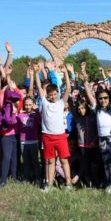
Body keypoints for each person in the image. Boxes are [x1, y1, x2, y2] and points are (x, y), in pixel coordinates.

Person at [33, 62, 72, 192]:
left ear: (57, 93)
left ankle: (68, 184)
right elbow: (38, 86)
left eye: (55, 94)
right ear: (47, 95)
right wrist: (35, 73)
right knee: (50, 161)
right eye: (50, 94)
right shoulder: (44, 102)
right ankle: (49, 185)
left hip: (60, 136)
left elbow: (68, 89)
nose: (53, 96)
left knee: (64, 160)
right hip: (47, 136)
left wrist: (66, 73)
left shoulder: (61, 103)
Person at [85, 68, 111, 194]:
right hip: (102, 138)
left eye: (105, 98)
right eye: (100, 98)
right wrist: (85, 81)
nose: (103, 100)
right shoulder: (97, 109)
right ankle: (109, 182)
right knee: (105, 161)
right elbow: (89, 95)